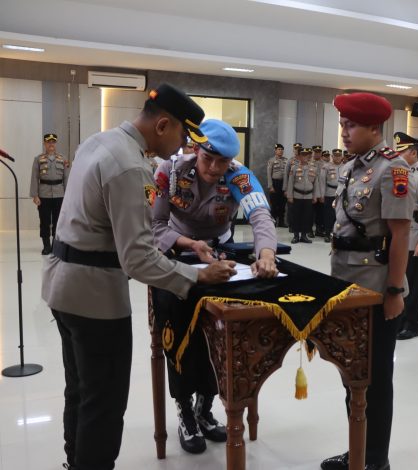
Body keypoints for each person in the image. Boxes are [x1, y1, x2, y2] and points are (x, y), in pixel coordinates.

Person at [41, 83, 236, 470]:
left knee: (79, 390)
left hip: (63, 287)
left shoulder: (99, 142)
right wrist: (198, 277)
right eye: (182, 136)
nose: (183, 146)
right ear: (163, 125)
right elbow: (138, 259)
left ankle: (74, 462)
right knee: (104, 402)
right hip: (96, 299)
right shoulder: (131, 166)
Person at [151, 119, 278, 453]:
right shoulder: (170, 171)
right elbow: (154, 225)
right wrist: (190, 244)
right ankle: (184, 409)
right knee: (179, 328)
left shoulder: (238, 175)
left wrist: (266, 254)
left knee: (220, 333)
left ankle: (205, 407)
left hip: (219, 255)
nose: (214, 168)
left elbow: (260, 215)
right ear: (196, 149)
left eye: (223, 161)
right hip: (176, 254)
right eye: (208, 158)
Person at [322, 92, 411, 470]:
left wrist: (394, 290)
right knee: (351, 373)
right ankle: (357, 449)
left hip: (374, 288)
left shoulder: (392, 169)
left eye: (351, 125)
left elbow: (400, 234)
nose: (344, 132)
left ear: (374, 128)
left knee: (374, 377)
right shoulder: (350, 167)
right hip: (345, 284)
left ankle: (374, 458)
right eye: (342, 124)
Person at [393, 132, 418, 340]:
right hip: (399, 237)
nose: (397, 155)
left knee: (415, 284)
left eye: (401, 151)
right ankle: (399, 320)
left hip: (415, 236)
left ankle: (412, 324)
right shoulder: (398, 174)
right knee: (400, 281)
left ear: (413, 153)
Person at [30, 133, 69, 255]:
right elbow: (34, 177)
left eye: (53, 142)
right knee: (44, 221)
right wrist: (35, 195)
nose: (51, 144)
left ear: (55, 143)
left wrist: (68, 196)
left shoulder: (63, 159)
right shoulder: (38, 159)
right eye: (48, 142)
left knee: (58, 221)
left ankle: (56, 246)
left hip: (59, 194)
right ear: (44, 143)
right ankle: (46, 246)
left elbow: (66, 178)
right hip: (44, 195)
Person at [286, 147, 320, 243]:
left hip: (308, 196)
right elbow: (290, 182)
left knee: (307, 216)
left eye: (306, 155)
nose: (305, 157)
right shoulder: (294, 168)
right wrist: (290, 196)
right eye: (303, 155)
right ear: (299, 157)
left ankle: (304, 236)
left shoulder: (313, 168)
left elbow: (316, 183)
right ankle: (296, 236)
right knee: (296, 216)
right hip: (297, 195)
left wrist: (315, 196)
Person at [266, 143, 288, 227]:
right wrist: (270, 186)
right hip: (275, 183)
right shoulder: (271, 160)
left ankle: (282, 222)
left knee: (282, 204)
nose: (280, 151)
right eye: (279, 149)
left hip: (283, 184)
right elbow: (269, 174)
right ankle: (273, 221)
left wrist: (286, 187)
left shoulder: (286, 160)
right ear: (275, 151)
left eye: (282, 149)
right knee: (274, 204)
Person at [319, 149, 339, 241]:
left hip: (340, 194)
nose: (337, 157)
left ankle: (336, 235)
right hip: (329, 193)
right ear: (332, 156)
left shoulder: (345, 166)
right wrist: (322, 195)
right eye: (335, 156)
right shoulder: (326, 166)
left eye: (339, 155)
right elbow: (322, 181)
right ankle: (327, 234)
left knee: (339, 216)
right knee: (329, 215)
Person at [312, 145, 326, 238]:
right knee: (310, 212)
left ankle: (318, 229)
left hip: (321, 191)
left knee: (320, 212)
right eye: (316, 152)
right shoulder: (309, 163)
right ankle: (308, 230)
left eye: (319, 152)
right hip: (311, 191)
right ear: (313, 153)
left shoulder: (325, 164)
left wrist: (322, 194)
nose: (317, 154)